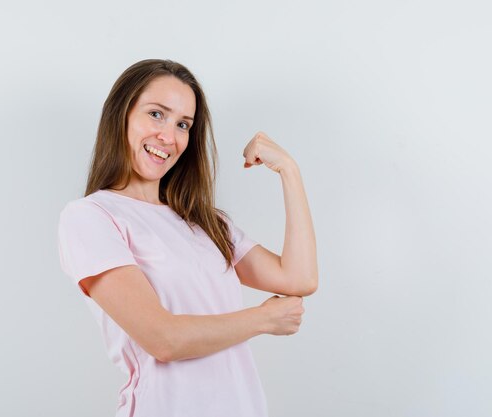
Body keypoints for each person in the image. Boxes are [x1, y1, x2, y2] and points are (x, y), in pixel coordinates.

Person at [57, 59, 318, 417]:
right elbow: (163, 339)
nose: (169, 136)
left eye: (183, 124)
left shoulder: (205, 223)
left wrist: (289, 170)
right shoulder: (92, 217)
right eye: (156, 114)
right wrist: (263, 319)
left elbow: (299, 278)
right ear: (122, 115)